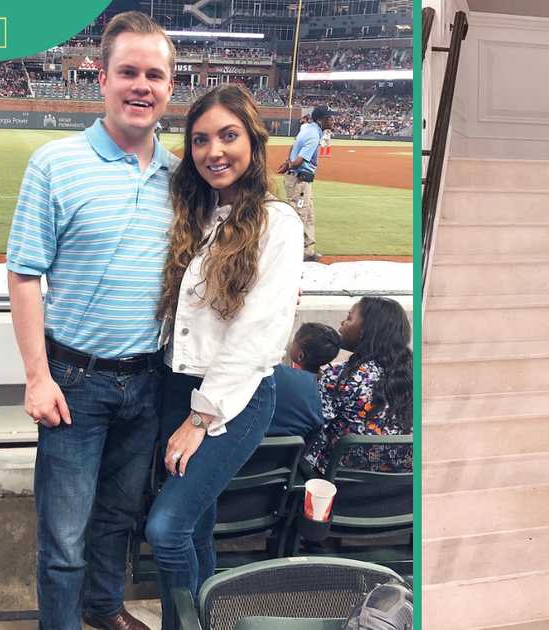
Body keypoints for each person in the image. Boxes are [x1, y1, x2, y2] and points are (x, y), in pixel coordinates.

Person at [5, 11, 176, 630]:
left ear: (169, 86)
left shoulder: (179, 176)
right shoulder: (55, 163)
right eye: (127, 71)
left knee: (117, 520)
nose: (141, 85)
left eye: (154, 75)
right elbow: (24, 275)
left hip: (148, 378)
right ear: (100, 77)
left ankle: (104, 612)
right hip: (74, 383)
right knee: (65, 536)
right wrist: (36, 376)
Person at [143, 84, 303, 630]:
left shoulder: (278, 223)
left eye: (228, 136)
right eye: (201, 140)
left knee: (166, 530)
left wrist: (199, 417)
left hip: (230, 400)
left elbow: (257, 334)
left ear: (253, 142)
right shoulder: (196, 214)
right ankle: (202, 620)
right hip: (174, 385)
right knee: (196, 526)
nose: (215, 151)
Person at [302, 297, 413, 477]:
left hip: (335, 480)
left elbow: (309, 425)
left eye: (349, 318)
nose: (342, 323)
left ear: (366, 330)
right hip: (396, 488)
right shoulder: (411, 375)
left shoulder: (342, 378)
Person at [277, 104, 336, 262]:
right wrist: (289, 164)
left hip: (302, 180)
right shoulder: (313, 135)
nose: (332, 121)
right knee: (299, 215)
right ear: (321, 120)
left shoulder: (307, 128)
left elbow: (292, 146)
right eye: (329, 118)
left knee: (309, 214)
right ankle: (292, 254)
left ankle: (308, 251)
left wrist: (287, 162)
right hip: (299, 181)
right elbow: (299, 161)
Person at [267, 322, 341, 438]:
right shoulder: (323, 388)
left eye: (294, 341)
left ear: (300, 355)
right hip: (294, 453)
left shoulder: (276, 376)